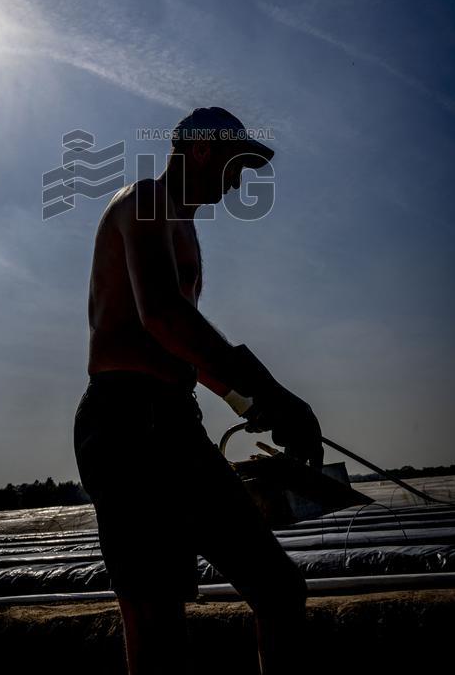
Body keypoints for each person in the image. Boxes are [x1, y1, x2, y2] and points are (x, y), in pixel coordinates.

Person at [73, 106, 323, 675]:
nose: (238, 181)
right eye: (236, 165)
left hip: (176, 424)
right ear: (203, 151)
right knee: (156, 624)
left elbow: (182, 349)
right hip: (124, 426)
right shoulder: (144, 203)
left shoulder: (183, 227)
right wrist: (266, 388)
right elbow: (161, 314)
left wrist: (252, 405)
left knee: (280, 589)